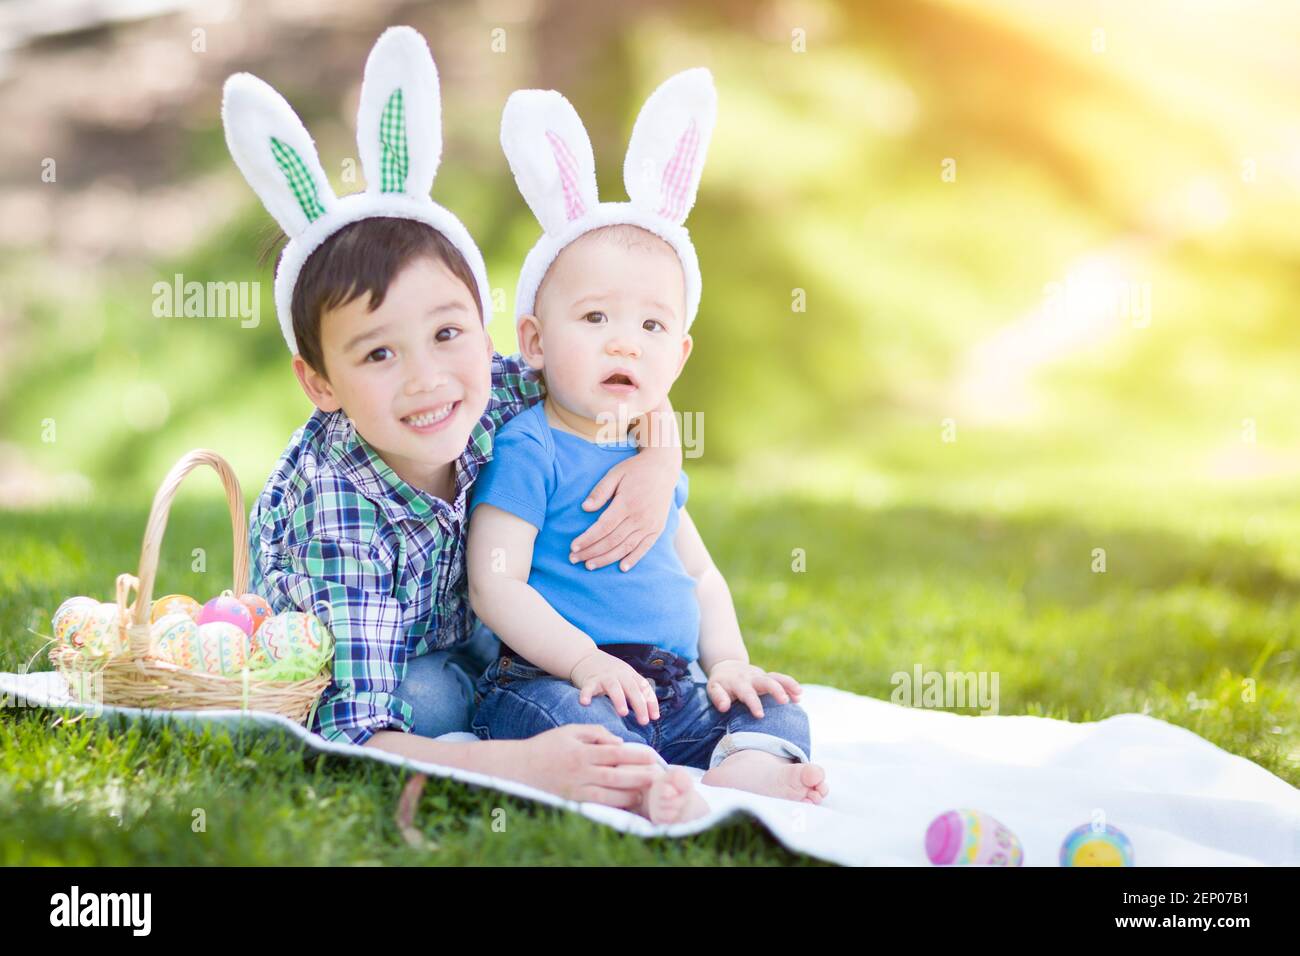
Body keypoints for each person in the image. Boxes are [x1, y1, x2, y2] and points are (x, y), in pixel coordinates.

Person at [226, 26, 682, 809]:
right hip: (388, 657)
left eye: (446, 334)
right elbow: (350, 733)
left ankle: (504, 700)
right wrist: (529, 768)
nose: (428, 381)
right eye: (378, 355)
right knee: (434, 700)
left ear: (486, 325)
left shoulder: (498, 389)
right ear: (320, 383)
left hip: (475, 624)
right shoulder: (342, 514)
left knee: (509, 653)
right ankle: (488, 737)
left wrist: (658, 458)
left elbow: (620, 382)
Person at [467, 71, 828, 823]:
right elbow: (495, 584)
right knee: (579, 728)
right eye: (595, 317)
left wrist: (727, 663)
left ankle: (746, 768)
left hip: (671, 687)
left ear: (680, 355)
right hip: (555, 676)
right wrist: (583, 661)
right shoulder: (532, 446)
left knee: (776, 707)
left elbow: (701, 575)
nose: (625, 339)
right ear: (533, 340)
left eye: (651, 326)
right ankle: (636, 780)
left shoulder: (651, 460)